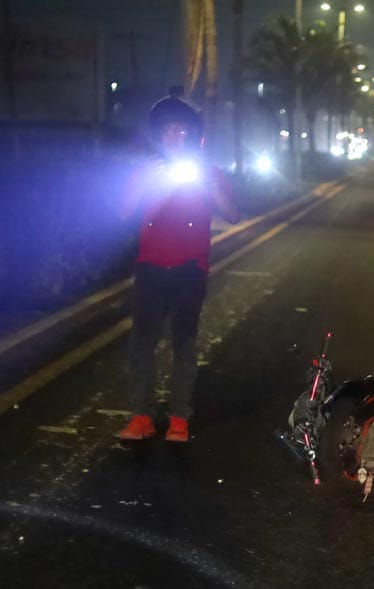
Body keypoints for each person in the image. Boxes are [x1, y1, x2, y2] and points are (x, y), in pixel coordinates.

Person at [118, 91, 240, 442]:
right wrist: (153, 186)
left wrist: (209, 186)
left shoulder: (208, 172)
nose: (174, 135)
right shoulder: (146, 171)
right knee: (142, 343)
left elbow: (233, 215)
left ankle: (178, 418)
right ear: (159, 134)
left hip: (190, 269)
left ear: (192, 135)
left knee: (184, 343)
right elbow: (125, 213)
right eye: (168, 129)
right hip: (150, 268)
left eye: (181, 129)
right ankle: (142, 416)